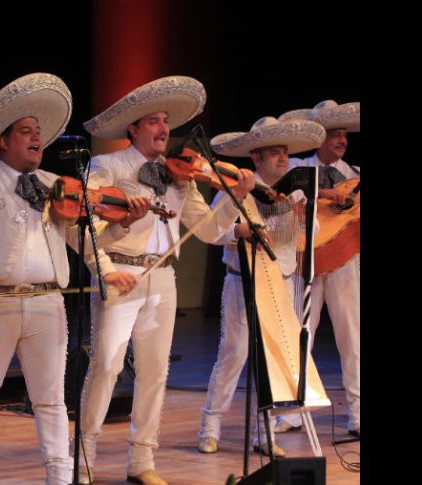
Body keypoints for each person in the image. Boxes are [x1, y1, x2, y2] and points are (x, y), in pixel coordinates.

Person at [0, 73, 149, 484]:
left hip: (48, 303)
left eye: (39, 132)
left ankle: (60, 474)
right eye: (26, 131)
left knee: (50, 398)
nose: (37, 138)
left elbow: (84, 240)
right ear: (4, 141)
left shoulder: (54, 185)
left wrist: (117, 242)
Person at [77, 76, 256, 485]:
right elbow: (87, 228)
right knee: (106, 367)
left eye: (165, 121)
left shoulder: (180, 175)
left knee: (155, 372)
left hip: (162, 277)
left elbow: (209, 230)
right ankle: (84, 455)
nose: (163, 129)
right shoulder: (108, 166)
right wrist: (107, 261)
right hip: (121, 273)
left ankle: (142, 460)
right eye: (153, 121)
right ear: (134, 129)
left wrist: (237, 197)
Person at [196, 116, 326, 458]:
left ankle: (263, 432)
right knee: (234, 353)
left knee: (271, 362)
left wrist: (302, 218)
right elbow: (213, 231)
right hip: (242, 281)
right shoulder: (234, 188)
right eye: (274, 152)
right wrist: (237, 232)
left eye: (285, 152)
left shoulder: (294, 191)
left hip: (279, 282)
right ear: (256, 157)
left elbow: (312, 233)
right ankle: (210, 426)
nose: (283, 158)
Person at [275, 100, 360, 437]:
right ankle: (292, 411)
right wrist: (323, 193)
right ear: (319, 137)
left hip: (344, 262)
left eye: (344, 134)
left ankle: (357, 412)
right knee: (300, 334)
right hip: (304, 261)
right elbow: (280, 191)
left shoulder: (354, 176)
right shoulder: (296, 167)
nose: (342, 140)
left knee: (352, 337)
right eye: (334, 134)